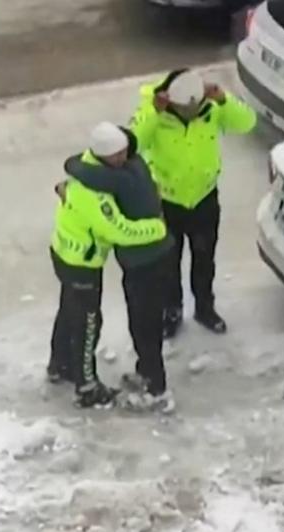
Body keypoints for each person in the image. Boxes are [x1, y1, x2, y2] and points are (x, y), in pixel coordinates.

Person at [48, 122, 168, 408]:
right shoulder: (94, 194)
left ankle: (60, 364)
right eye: (117, 155)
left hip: (65, 253)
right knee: (88, 322)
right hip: (83, 262)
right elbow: (118, 231)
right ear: (102, 155)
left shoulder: (87, 173)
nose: (123, 159)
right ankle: (87, 386)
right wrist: (157, 228)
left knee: (69, 311)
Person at [130, 68, 256, 338]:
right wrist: (152, 112)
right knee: (168, 264)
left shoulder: (212, 109)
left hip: (204, 200)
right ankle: (172, 310)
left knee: (204, 260)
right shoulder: (154, 115)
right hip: (167, 203)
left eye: (195, 106)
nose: (191, 112)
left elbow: (247, 123)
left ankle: (204, 308)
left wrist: (224, 99)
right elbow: (133, 144)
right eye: (184, 108)